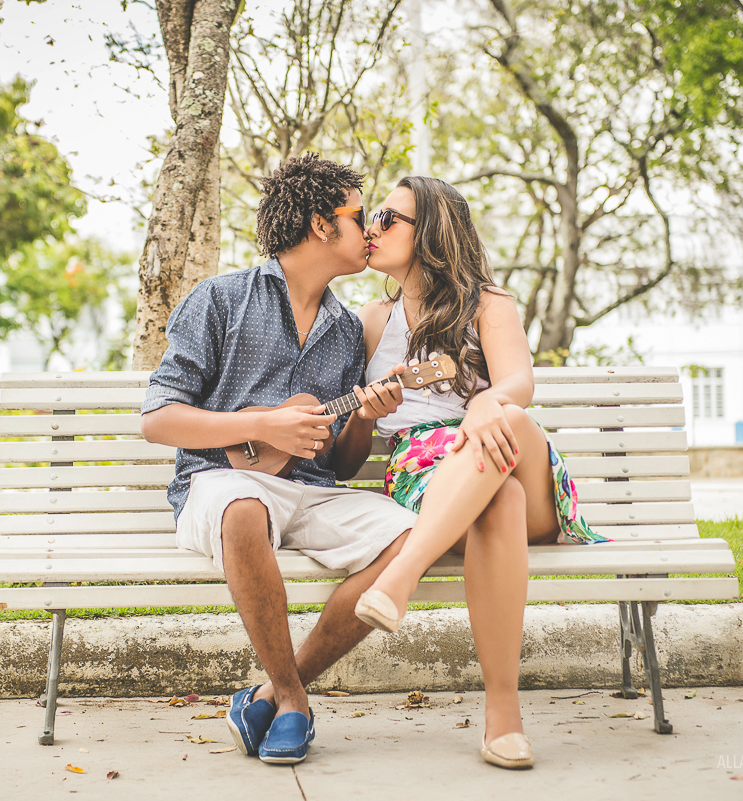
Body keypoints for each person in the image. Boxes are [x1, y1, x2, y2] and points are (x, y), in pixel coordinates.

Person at [139, 154, 417, 766]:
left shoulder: (346, 330)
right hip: (218, 483)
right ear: (321, 224)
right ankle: (293, 700)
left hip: (310, 493)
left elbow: (340, 466)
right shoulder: (221, 299)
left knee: (410, 540)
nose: (370, 227)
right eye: (359, 215)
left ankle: (271, 689)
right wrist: (261, 425)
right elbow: (157, 418)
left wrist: (365, 415)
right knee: (243, 505)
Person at [351, 176, 612, 770]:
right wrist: (366, 415)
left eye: (388, 218)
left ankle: (401, 576)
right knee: (500, 500)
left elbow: (519, 382)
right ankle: (503, 719)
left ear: (430, 232)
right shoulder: (372, 320)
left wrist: (484, 403)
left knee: (508, 418)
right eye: (372, 217)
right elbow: (348, 436)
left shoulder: (488, 304)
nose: (372, 228)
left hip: (513, 451)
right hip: (431, 477)